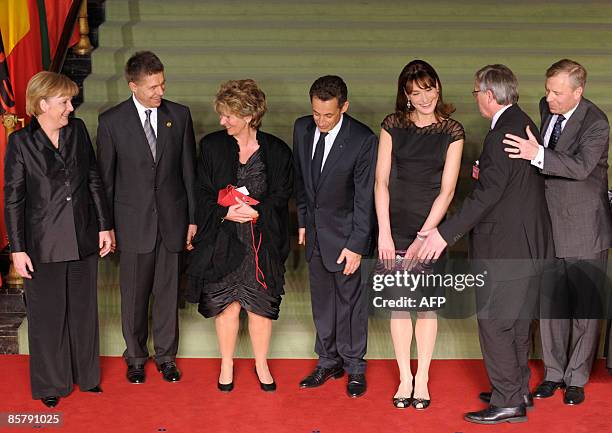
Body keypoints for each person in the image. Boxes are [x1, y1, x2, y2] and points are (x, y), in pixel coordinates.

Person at [418, 65, 554, 424]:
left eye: (477, 92)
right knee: (518, 320)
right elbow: (510, 182)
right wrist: (488, 172)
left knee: (495, 322)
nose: (475, 97)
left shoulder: (501, 135)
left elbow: (488, 197)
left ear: (490, 96)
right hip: (527, 242)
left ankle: (508, 400)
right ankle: (516, 388)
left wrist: (444, 234)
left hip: (505, 246)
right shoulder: (523, 122)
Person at [502, 59, 611, 405]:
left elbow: (579, 168)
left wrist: (538, 154)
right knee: (551, 307)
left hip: (583, 227)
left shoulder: (596, 123)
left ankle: (576, 378)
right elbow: (530, 157)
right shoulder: (546, 108)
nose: (548, 98)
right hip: (548, 223)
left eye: (557, 93)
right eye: (548, 89)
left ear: (577, 92)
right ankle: (552, 374)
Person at [4, 71, 113, 407]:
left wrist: (104, 226)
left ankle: (87, 376)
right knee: (48, 316)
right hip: (41, 246)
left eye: (70, 100)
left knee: (83, 312)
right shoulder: (21, 143)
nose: (70, 107)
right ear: (42, 104)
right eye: (64, 101)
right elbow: (13, 198)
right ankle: (51, 383)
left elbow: (93, 179)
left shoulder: (77, 130)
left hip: (83, 239)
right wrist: (17, 248)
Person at [185, 79, 293, 392]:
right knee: (227, 306)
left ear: (247, 116)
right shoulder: (211, 146)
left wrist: (259, 212)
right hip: (222, 239)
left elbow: (282, 193)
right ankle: (227, 363)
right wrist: (225, 213)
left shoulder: (277, 151)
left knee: (259, 306)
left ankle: (261, 364)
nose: (222, 121)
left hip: (261, 242)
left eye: (228, 115)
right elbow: (201, 190)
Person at [96, 51, 197, 384]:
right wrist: (105, 226)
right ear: (132, 85)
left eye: (162, 84)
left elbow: (188, 173)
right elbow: (105, 180)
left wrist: (192, 219)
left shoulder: (179, 116)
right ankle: (136, 357)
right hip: (131, 225)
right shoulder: (111, 122)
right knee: (134, 296)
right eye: (152, 86)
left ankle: (167, 357)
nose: (160, 92)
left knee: (168, 294)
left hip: (172, 222)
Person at [375, 60, 464, 409]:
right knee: (400, 305)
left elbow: (448, 191)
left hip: (432, 231)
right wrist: (383, 232)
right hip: (393, 227)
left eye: (429, 89)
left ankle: (423, 378)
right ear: (406, 96)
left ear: (437, 88)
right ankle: (404, 378)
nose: (424, 97)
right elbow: (381, 181)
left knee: (426, 306)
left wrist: (424, 235)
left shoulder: (452, 130)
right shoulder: (392, 125)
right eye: (416, 92)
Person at [294, 75, 377, 398]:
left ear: (344, 106)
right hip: (315, 234)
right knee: (323, 304)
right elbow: (303, 182)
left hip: (346, 237)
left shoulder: (362, 140)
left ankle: (355, 366)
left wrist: (356, 245)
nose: (321, 121)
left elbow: (363, 198)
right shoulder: (302, 128)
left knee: (351, 305)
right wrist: (303, 221)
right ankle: (328, 361)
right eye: (316, 113)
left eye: (328, 115)